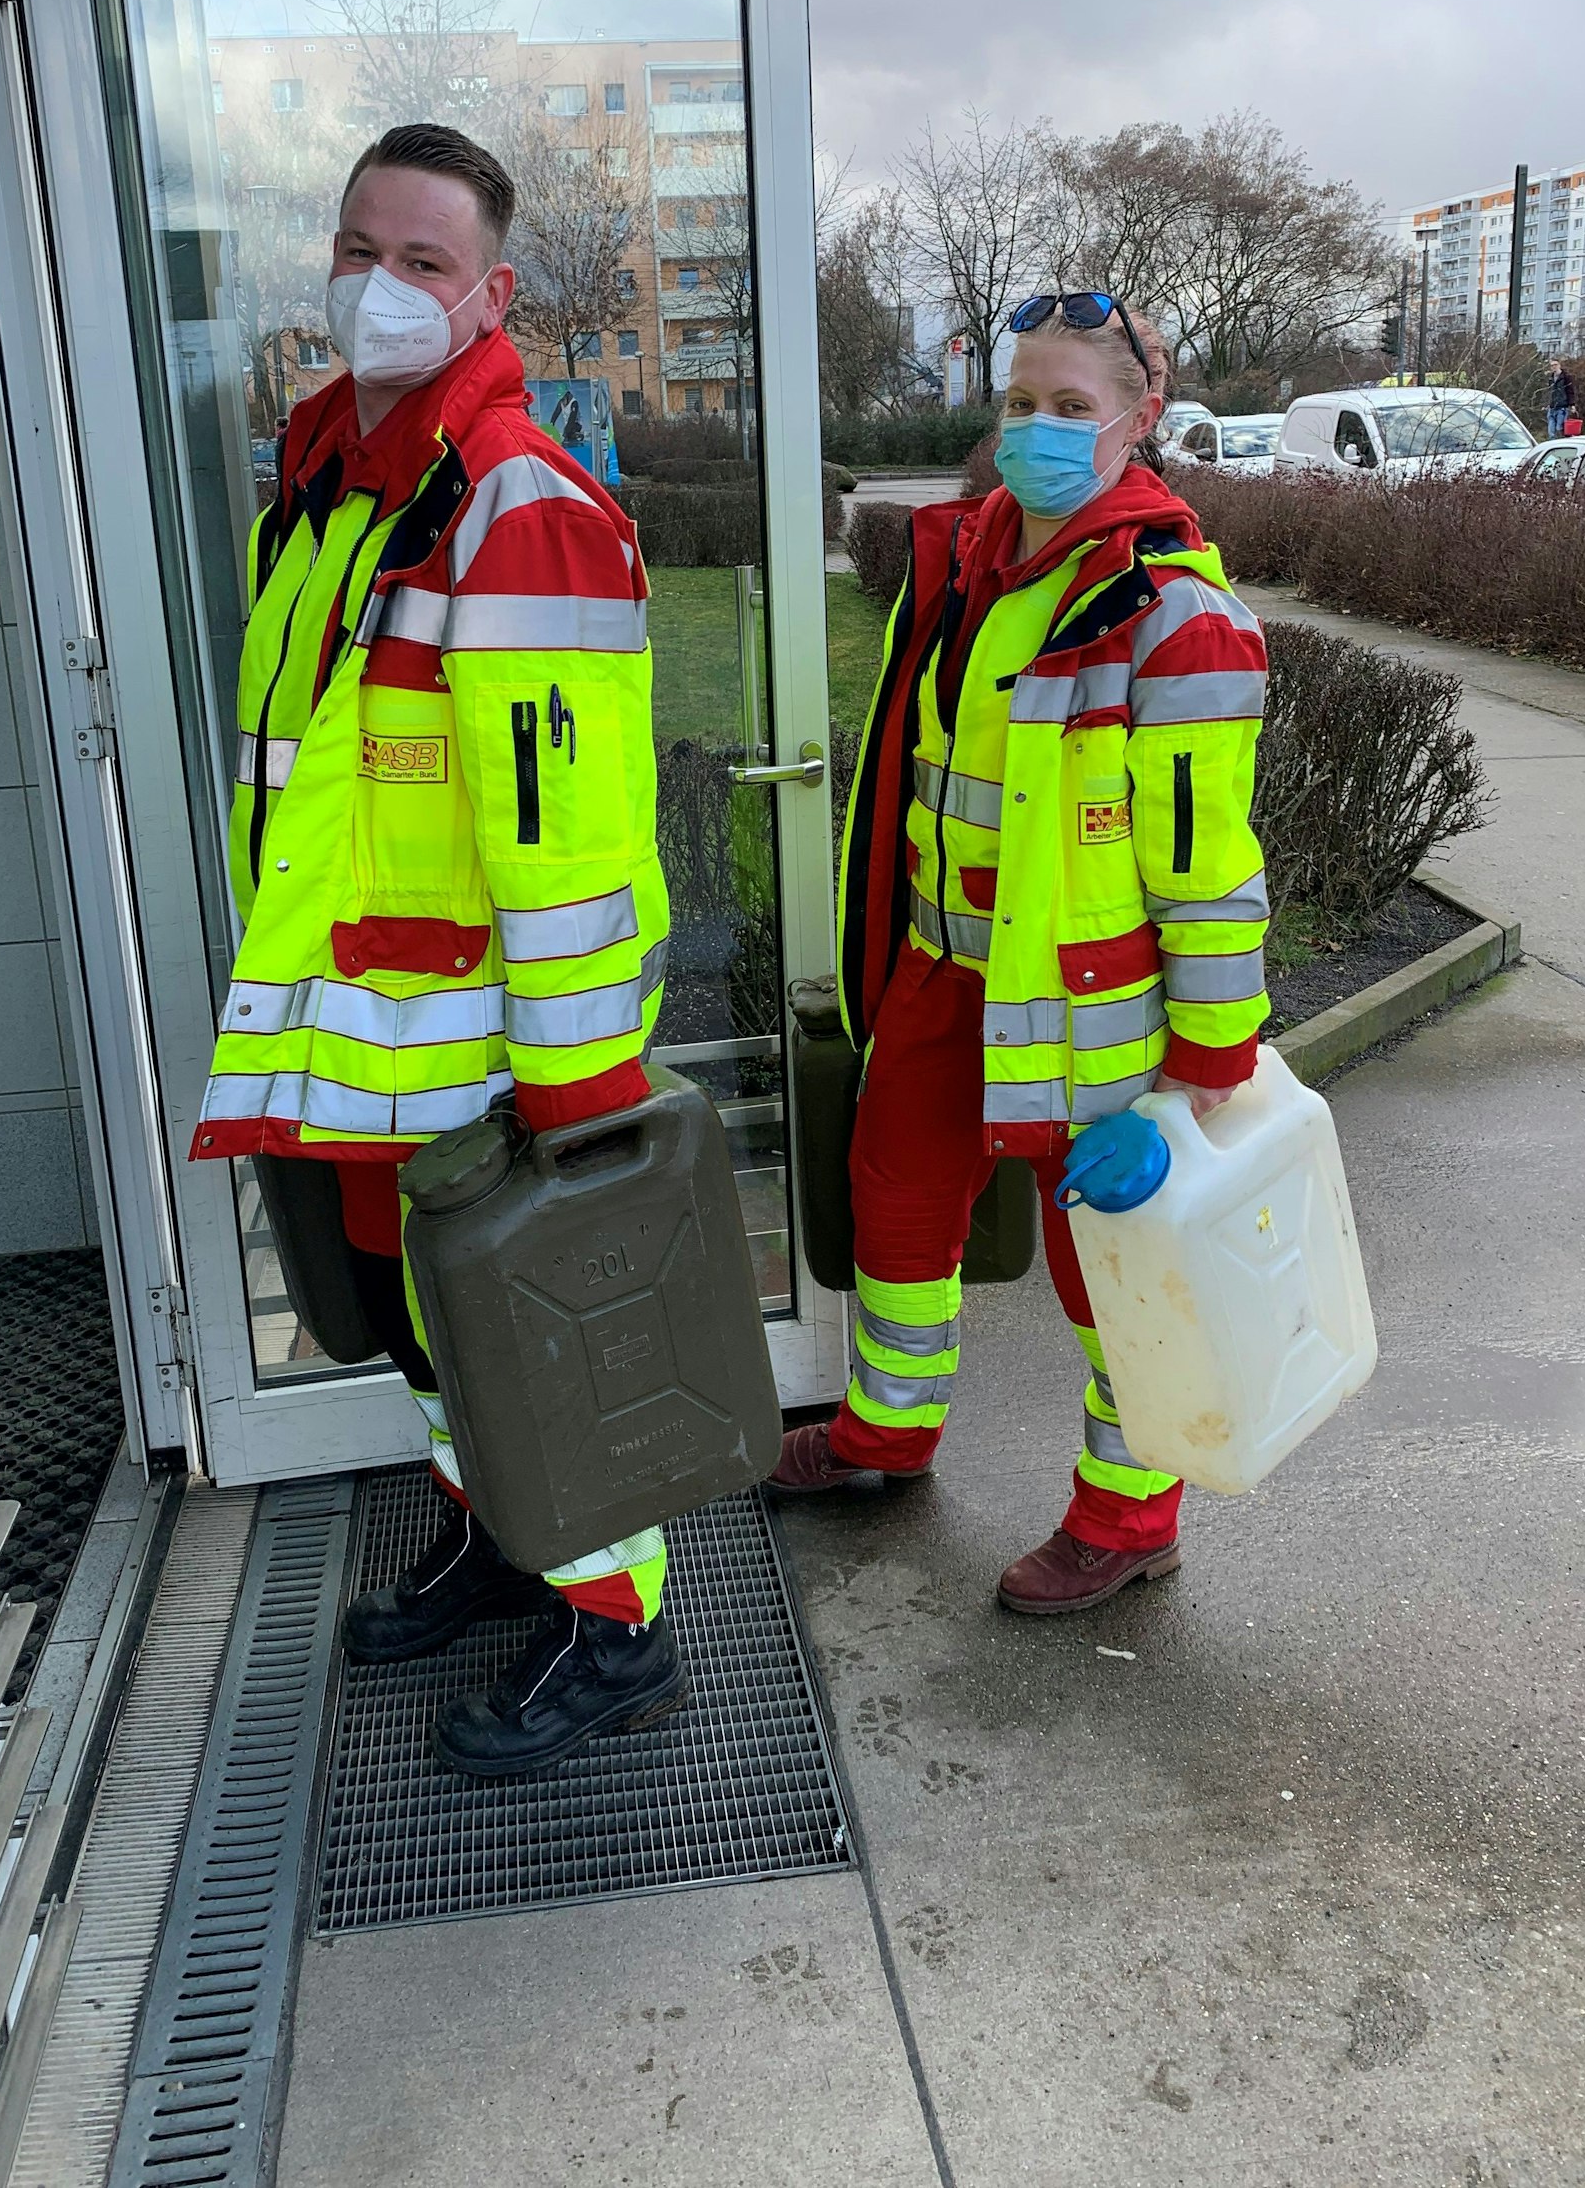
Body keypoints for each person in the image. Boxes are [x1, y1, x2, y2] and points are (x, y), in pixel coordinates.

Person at [190, 122, 681, 1775]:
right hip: (367, 1031)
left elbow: (570, 843)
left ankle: (622, 1631)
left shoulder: (514, 507)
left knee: (527, 1337)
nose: (378, 286)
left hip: (478, 1043)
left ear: (492, 291)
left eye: (421, 260)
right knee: (422, 1332)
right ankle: (494, 1537)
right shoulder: (328, 482)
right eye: (357, 249)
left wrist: (579, 1078)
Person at [771, 293, 1271, 1613]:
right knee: (895, 1199)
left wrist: (1203, 1075)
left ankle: (1128, 1516)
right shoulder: (970, 564)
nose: (1036, 429)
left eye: (1071, 406)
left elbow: (1212, 878)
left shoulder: (1176, 615)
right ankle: (887, 1428)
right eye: (1018, 402)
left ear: (1140, 420)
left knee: (1112, 1275)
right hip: (947, 973)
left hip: (1094, 1010)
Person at [1547, 359, 1576, 438]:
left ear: (1559, 365)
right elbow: (1548, 392)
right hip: (1552, 407)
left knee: (1559, 429)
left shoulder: (1566, 377)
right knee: (1551, 431)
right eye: (1552, 365)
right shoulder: (1550, 378)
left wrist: (1572, 404)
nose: (1554, 367)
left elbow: (1570, 391)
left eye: (1555, 365)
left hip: (1562, 406)